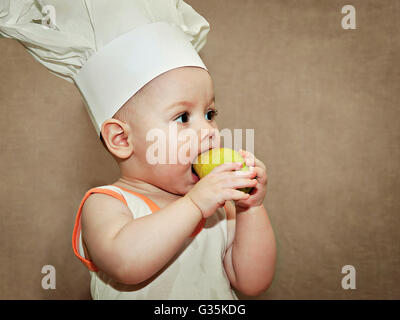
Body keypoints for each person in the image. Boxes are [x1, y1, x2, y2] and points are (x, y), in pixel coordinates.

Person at [1, 0, 276, 299]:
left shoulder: (220, 209)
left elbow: (252, 282)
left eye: (210, 114)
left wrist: (251, 208)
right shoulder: (107, 204)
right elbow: (126, 263)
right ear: (121, 139)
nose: (209, 132)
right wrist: (196, 204)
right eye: (183, 117)